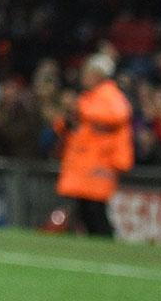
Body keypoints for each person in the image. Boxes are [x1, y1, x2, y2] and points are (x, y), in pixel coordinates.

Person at [54, 54, 133, 237]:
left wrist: (80, 109)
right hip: (84, 164)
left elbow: (118, 114)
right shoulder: (89, 97)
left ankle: (106, 245)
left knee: (95, 210)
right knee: (85, 210)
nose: (84, 76)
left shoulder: (109, 95)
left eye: (88, 72)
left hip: (98, 164)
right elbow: (68, 125)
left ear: (98, 74)